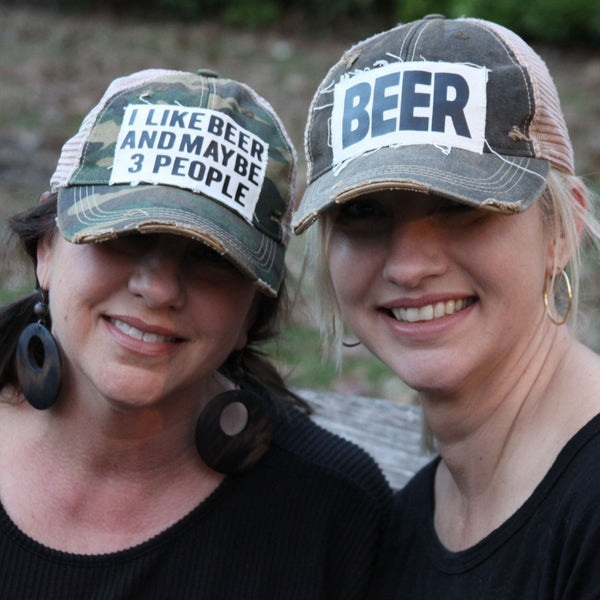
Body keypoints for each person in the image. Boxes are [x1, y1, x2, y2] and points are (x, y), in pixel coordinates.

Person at [0, 68, 391, 599]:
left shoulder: (331, 513)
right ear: (47, 250)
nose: (159, 288)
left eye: (211, 256)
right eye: (125, 234)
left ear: (252, 313)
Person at [293, 15, 600, 598]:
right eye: (363, 212)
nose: (408, 266)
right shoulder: (413, 517)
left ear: (563, 228)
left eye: (463, 204)